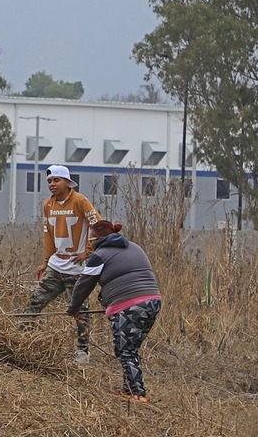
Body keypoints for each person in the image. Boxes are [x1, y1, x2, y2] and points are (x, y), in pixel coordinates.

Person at [67, 220, 162, 401]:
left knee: (125, 351)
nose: (89, 245)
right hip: (153, 302)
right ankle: (128, 390)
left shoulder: (99, 255)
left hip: (129, 306)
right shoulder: (135, 247)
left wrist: (73, 307)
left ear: (99, 238)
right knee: (131, 349)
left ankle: (137, 394)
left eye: (90, 240)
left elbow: (84, 283)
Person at [20, 165, 100, 364]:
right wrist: (47, 261)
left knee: (80, 311)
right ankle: (21, 340)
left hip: (77, 268)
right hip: (56, 266)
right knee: (34, 302)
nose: (52, 184)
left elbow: (98, 225)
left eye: (56, 180)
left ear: (67, 182)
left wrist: (88, 252)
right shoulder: (48, 205)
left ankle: (83, 352)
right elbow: (48, 235)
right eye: (49, 181)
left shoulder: (81, 201)